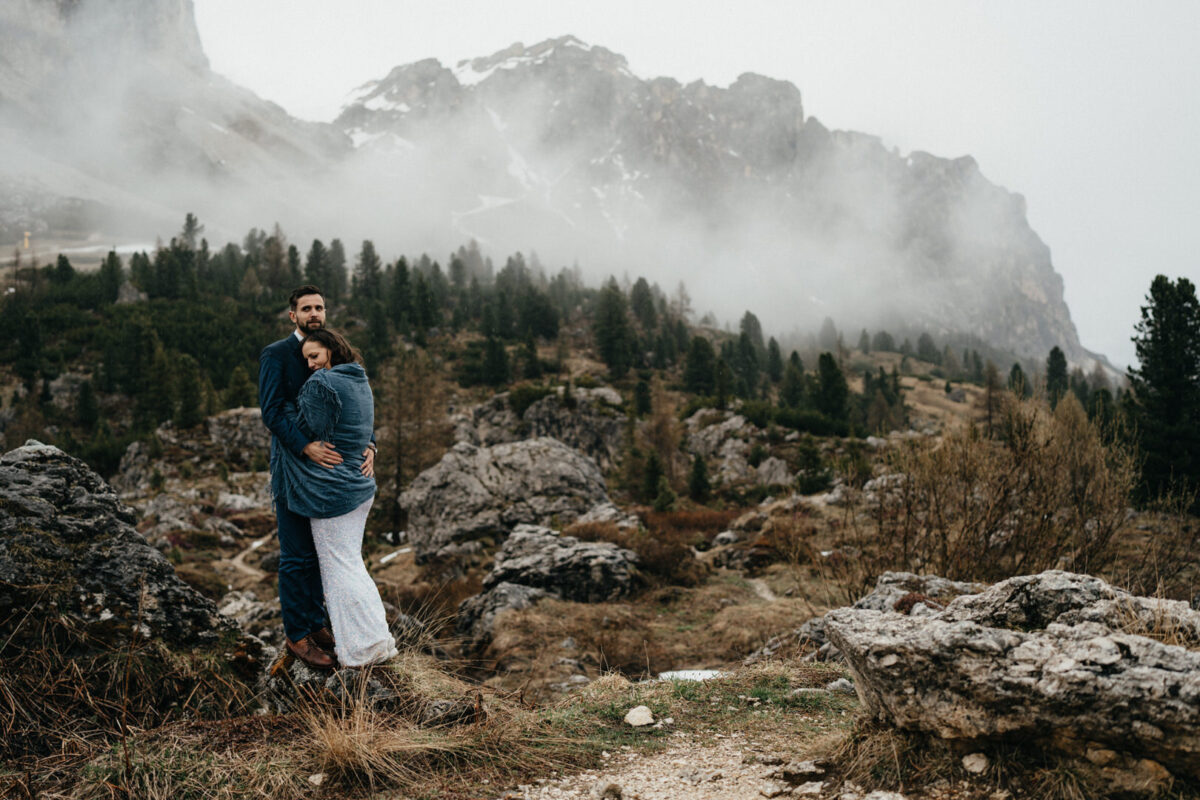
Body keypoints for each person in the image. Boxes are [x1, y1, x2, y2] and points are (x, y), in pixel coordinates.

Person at [258, 285, 375, 670]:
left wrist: (370, 445)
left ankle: (316, 624)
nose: (314, 313)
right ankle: (298, 634)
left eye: (319, 307)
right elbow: (273, 411)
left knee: (321, 553)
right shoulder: (277, 355)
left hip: (329, 478)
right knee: (296, 555)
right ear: (293, 315)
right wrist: (306, 446)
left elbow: (354, 408)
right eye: (306, 308)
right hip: (293, 470)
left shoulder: (332, 354)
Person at [279, 328, 397, 667]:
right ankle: (377, 640)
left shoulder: (321, 384)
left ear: (332, 349)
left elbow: (312, 428)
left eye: (315, 356)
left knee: (338, 569)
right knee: (352, 564)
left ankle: (360, 650)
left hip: (333, 493)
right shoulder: (359, 378)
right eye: (306, 360)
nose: (312, 365)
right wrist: (370, 445)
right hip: (360, 488)